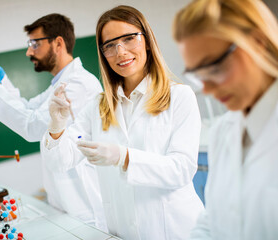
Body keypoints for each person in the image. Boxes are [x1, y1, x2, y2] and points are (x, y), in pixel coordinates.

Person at [40, 5, 204, 240]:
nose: (120, 51)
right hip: (122, 232)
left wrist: (124, 157)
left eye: (129, 39)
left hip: (176, 230)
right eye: (109, 45)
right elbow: (61, 161)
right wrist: (56, 126)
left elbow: (182, 169)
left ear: (147, 40)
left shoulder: (179, 96)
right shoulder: (97, 107)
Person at [173, 0, 278, 239]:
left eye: (214, 69)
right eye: (197, 75)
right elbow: (211, 223)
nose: (206, 89)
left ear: (257, 43)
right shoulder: (223, 131)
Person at [0, 13, 107, 230]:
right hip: (66, 199)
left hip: (84, 200)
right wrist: (3, 83)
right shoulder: (60, 83)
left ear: (58, 43)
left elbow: (34, 127)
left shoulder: (79, 84)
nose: (29, 52)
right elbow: (29, 108)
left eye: (34, 44)